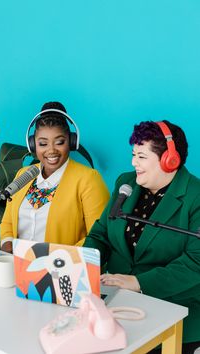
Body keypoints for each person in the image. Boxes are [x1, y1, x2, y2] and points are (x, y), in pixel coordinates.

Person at [83, 120, 200, 354]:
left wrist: (138, 283)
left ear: (170, 160)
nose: (133, 162)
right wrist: (84, 265)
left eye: (141, 156)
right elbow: (101, 233)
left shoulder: (195, 197)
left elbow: (195, 263)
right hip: (117, 306)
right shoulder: (126, 183)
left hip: (175, 310)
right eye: (133, 154)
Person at [0, 101, 110, 253]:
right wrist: (7, 246)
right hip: (17, 268)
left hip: (63, 271)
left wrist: (53, 259)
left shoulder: (88, 179)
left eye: (59, 142)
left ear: (71, 142)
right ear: (33, 145)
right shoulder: (24, 175)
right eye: (43, 144)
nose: (51, 150)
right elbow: (7, 222)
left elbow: (98, 236)